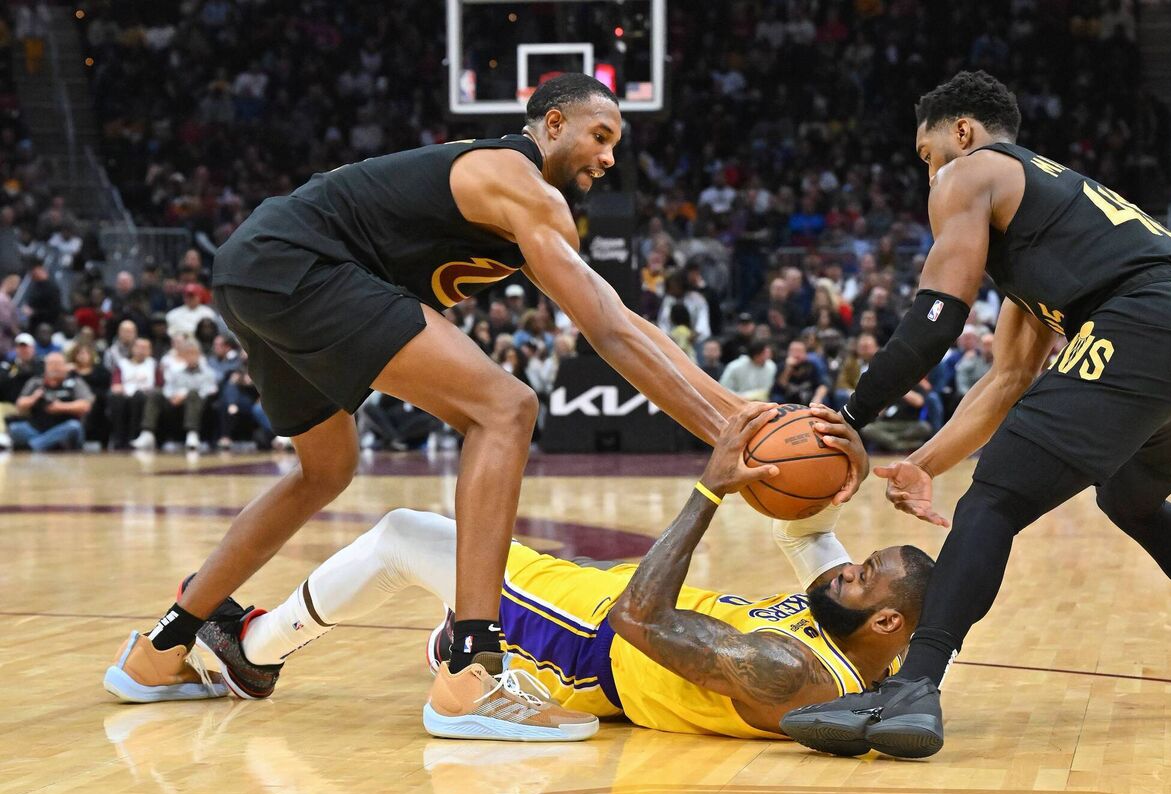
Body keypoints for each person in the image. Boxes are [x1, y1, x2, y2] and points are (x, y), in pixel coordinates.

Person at [105, 75, 841, 743]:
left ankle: (162, 649)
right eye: (601, 136)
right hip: (301, 266)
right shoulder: (520, 184)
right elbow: (608, 330)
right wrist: (724, 432)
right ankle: (472, 672)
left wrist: (740, 408)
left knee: (324, 470)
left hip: (257, 268)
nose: (610, 157)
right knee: (506, 408)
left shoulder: (523, 202)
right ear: (553, 123)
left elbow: (623, 317)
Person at [783, 70, 1171, 759]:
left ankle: (914, 685)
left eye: (928, 156)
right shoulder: (1050, 224)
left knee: (996, 500)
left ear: (965, 133)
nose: (930, 177)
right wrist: (921, 463)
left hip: (1144, 319)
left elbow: (937, 318)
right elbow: (1005, 381)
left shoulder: (973, 172)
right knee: (1131, 495)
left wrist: (852, 416)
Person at [173, 406, 930, 741]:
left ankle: (255, 653)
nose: (844, 571)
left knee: (403, 534)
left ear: (888, 621)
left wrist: (709, 490)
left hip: (590, 642)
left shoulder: (788, 669)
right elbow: (811, 528)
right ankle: (446, 646)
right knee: (436, 551)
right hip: (597, 606)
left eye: (863, 577)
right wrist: (845, 464)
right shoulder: (859, 634)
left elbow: (643, 621)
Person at [10, 351, 93, 451]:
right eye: (52, 364)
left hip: (64, 429)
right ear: (45, 366)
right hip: (38, 430)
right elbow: (20, 405)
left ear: (65, 366)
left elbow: (86, 406)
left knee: (74, 427)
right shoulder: (36, 382)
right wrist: (33, 398)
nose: (55, 367)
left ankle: (34, 446)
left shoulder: (74, 382)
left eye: (58, 364)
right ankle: (45, 443)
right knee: (15, 428)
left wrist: (60, 407)